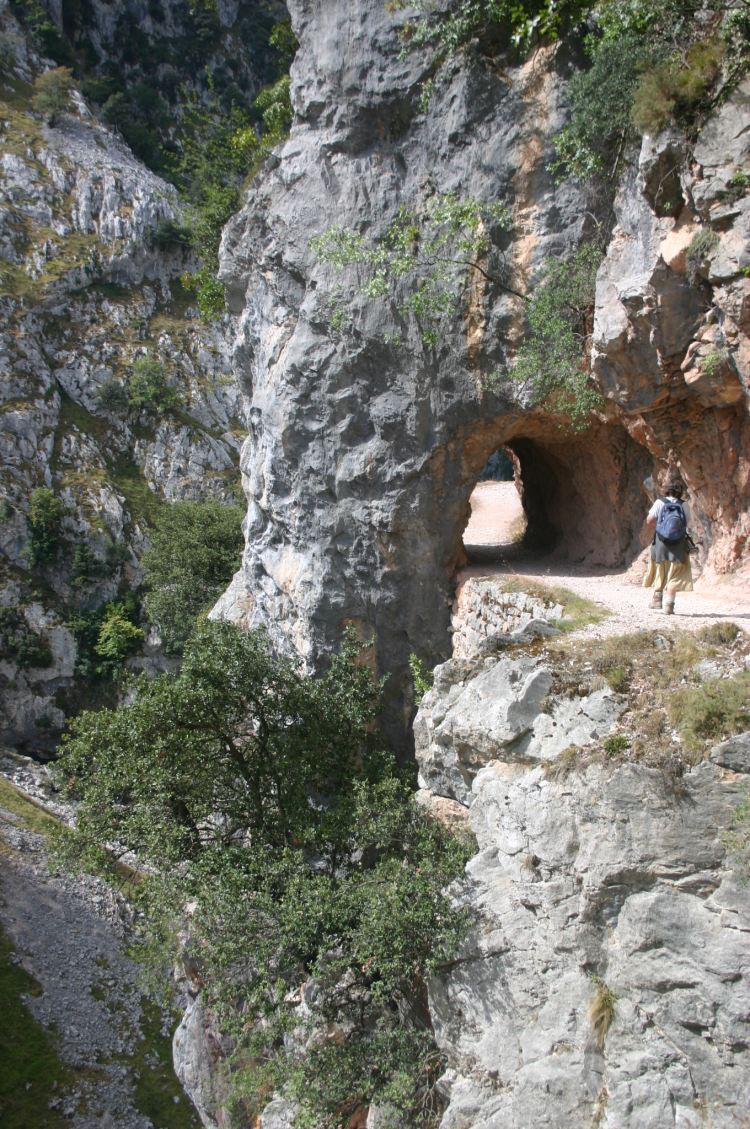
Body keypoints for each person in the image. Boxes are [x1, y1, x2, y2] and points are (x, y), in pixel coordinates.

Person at [642, 480, 693, 615]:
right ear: (680, 492)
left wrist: (662, 525)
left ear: (667, 490)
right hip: (678, 543)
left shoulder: (660, 502)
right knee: (676, 571)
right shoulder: (684, 505)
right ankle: (669, 605)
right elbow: (688, 522)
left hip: (661, 541)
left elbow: (649, 520)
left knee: (660, 567)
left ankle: (657, 600)